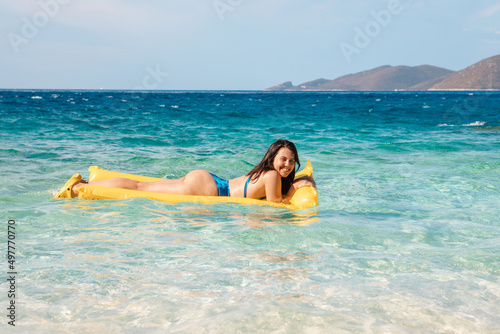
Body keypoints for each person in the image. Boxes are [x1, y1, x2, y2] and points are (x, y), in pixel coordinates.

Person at [55, 139, 301, 204]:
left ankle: (91, 181)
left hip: (209, 182)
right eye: (283, 159)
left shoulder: (267, 173)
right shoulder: (270, 175)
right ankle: (79, 188)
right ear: (272, 157)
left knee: (144, 186)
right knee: (142, 188)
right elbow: (274, 208)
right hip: (210, 188)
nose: (287, 166)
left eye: (291, 162)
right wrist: (299, 187)